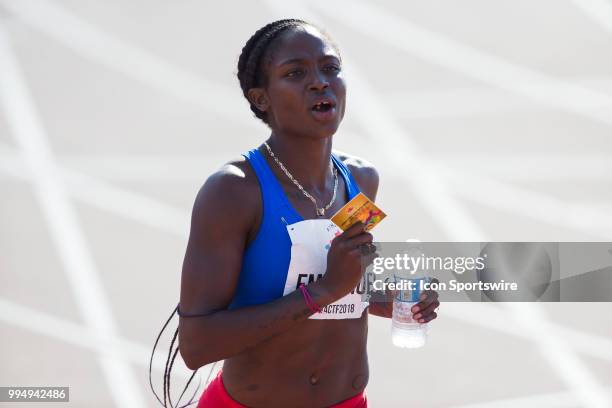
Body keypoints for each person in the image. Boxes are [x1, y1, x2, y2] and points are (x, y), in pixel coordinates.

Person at [172, 19, 439, 408]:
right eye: (295, 73)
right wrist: (322, 291)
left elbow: (346, 289)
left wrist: (394, 298)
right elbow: (196, 346)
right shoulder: (234, 191)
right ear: (260, 98)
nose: (319, 82)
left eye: (330, 68)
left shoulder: (360, 180)